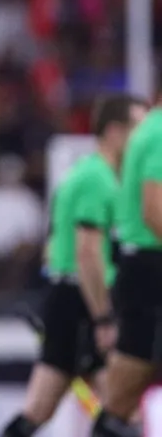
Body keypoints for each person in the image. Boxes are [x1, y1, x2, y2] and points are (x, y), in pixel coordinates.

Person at [2, 94, 147, 437]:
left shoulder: (89, 175)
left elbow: (55, 246)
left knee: (40, 409)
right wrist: (103, 317)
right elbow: (88, 252)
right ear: (114, 131)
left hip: (70, 300)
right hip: (84, 302)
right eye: (138, 130)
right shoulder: (97, 179)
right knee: (122, 411)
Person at [91, 81, 162, 437]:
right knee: (121, 398)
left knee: (121, 399)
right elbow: (154, 209)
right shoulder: (159, 132)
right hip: (151, 269)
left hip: (142, 267)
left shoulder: (149, 129)